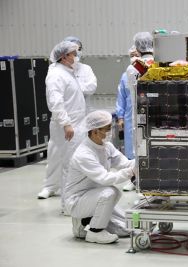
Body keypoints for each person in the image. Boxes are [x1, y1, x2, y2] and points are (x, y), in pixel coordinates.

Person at [64, 110, 135, 244]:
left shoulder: (106, 147)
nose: (110, 132)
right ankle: (95, 232)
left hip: (94, 196)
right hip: (77, 201)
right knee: (111, 192)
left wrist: (144, 160)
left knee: (127, 228)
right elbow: (105, 178)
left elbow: (125, 164)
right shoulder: (84, 154)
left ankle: (83, 221)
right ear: (95, 131)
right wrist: (131, 172)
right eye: (108, 129)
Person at [37, 41, 87, 205]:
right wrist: (66, 124)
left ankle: (73, 200)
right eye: (73, 53)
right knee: (69, 165)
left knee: (74, 163)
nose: (76, 56)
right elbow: (56, 102)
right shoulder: (56, 75)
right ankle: (68, 204)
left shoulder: (67, 72)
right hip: (68, 127)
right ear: (64, 56)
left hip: (76, 125)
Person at [122, 32, 155, 192]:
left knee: (140, 149)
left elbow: (132, 90)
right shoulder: (160, 63)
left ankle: (139, 181)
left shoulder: (132, 68)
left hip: (140, 115)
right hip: (158, 116)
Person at [63, 36, 97, 113]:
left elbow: (92, 87)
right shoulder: (59, 70)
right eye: (75, 49)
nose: (77, 52)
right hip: (65, 114)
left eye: (80, 49)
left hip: (84, 113)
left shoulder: (86, 68)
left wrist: (72, 88)